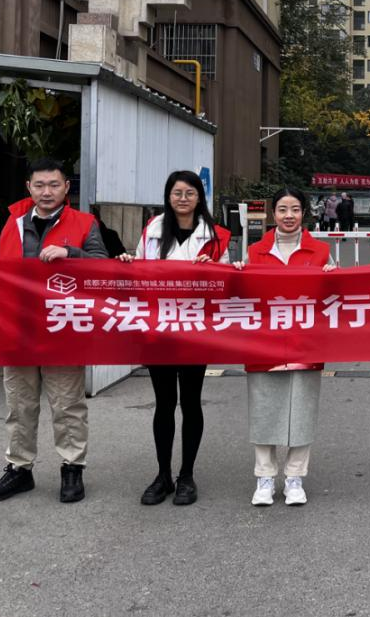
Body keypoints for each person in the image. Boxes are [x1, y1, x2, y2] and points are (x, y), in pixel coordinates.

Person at [0, 158, 108, 503]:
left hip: (63, 328)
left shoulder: (84, 223)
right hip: (17, 328)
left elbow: (103, 266)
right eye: (39, 185)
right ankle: (19, 469)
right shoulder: (15, 222)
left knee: (67, 404)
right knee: (19, 403)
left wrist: (69, 252)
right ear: (29, 188)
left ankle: (72, 467)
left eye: (54, 185)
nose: (46, 192)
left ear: (66, 188)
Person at [118, 171, 231, 507]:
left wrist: (213, 268)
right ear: (168, 196)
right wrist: (127, 262)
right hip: (160, 328)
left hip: (195, 329)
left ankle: (187, 475)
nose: (183, 198)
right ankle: (163, 474)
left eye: (190, 193)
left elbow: (227, 285)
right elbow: (139, 275)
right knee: (164, 403)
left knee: (191, 402)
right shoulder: (152, 231)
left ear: (199, 198)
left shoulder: (216, 236)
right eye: (177, 192)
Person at [235, 187, 335, 506]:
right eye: (282, 209)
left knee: (301, 408)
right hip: (263, 342)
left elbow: (336, 296)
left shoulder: (321, 252)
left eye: (294, 209)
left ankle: (295, 477)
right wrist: (236, 274)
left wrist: (334, 277)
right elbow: (241, 294)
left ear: (304, 213)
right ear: (272, 213)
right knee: (264, 409)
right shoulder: (255, 252)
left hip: (306, 342)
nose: (288, 215)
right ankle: (264, 477)